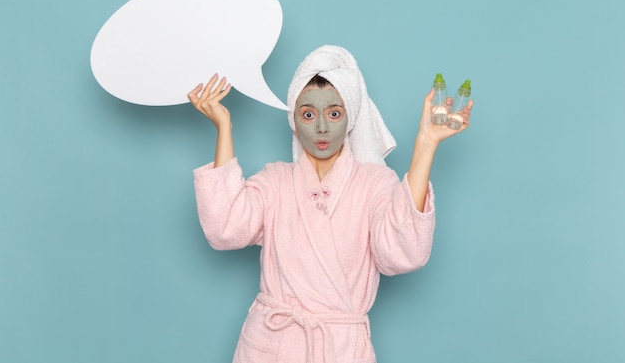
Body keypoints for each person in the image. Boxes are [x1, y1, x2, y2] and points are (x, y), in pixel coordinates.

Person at [187, 45, 473, 363]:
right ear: (294, 120)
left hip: (340, 347)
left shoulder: (374, 183)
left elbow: (402, 253)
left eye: (334, 113)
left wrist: (426, 143)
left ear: (350, 118)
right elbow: (226, 228)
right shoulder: (275, 181)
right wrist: (224, 126)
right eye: (308, 114)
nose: (322, 127)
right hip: (273, 346)